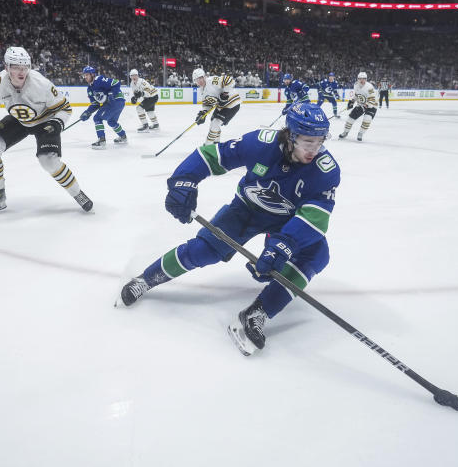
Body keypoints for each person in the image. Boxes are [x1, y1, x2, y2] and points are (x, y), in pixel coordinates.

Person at [117, 103, 340, 356]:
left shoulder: (326, 171)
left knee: (317, 254)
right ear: (290, 135)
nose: (314, 150)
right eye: (307, 142)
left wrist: (283, 245)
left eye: (320, 142)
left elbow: (315, 217)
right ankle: (146, 279)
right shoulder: (260, 143)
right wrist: (184, 180)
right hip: (245, 210)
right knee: (203, 250)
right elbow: (211, 155)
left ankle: (259, 311)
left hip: (287, 221)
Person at [0, 47, 93, 214]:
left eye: (25, 67)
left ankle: (77, 193)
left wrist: (57, 123)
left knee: (48, 161)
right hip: (19, 120)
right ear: (6, 67)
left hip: (45, 121)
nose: (21, 72)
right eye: (15, 67)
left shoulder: (41, 84)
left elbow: (65, 108)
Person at [80, 66, 127, 149]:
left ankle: (102, 140)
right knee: (111, 121)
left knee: (97, 118)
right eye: (84, 75)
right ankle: (123, 136)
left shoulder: (99, 80)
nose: (85, 77)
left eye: (87, 75)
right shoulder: (90, 89)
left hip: (115, 100)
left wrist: (112, 94)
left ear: (92, 74)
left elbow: (116, 83)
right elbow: (95, 104)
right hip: (119, 103)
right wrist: (87, 112)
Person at [192, 67, 240, 144]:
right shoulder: (202, 90)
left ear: (204, 77)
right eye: (197, 79)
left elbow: (230, 80)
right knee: (213, 121)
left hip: (232, 103)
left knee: (215, 123)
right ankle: (216, 143)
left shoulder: (212, 81)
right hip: (222, 106)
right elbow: (208, 104)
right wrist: (203, 113)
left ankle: (208, 146)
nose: (199, 81)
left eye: (201, 78)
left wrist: (225, 94)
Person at [338, 72, 378, 142]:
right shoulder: (356, 85)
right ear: (358, 79)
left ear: (366, 79)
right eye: (360, 79)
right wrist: (352, 101)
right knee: (350, 118)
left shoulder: (369, 87)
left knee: (367, 119)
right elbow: (357, 95)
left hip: (372, 105)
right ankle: (345, 132)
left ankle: (361, 133)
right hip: (362, 104)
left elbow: (372, 99)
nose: (362, 80)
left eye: (364, 79)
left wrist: (368, 105)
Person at [128, 68, 160, 132]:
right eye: (132, 75)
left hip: (152, 96)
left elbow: (150, 92)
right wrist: (134, 98)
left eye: (135, 75)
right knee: (149, 111)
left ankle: (145, 125)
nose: (134, 77)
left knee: (139, 108)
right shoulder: (132, 83)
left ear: (137, 75)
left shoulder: (143, 82)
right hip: (149, 97)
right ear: (130, 76)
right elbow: (136, 93)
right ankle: (156, 124)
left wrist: (142, 93)